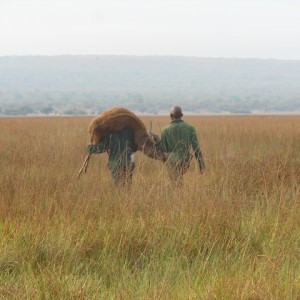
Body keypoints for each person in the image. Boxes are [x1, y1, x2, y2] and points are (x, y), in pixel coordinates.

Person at [160, 106, 205, 185]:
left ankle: (178, 194)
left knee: (175, 183)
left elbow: (163, 149)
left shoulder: (165, 130)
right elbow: (196, 148)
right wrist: (201, 165)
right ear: (182, 115)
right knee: (178, 181)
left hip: (171, 160)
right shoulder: (190, 128)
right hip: (185, 159)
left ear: (171, 115)